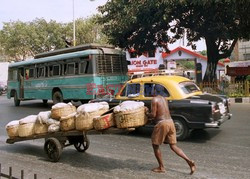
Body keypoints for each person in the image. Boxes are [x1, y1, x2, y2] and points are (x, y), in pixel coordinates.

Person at [145, 84, 196, 174]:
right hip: (170, 122)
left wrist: (146, 113)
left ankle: (161, 167)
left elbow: (153, 115)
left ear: (154, 91)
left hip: (162, 123)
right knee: (173, 146)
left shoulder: (154, 99)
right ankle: (189, 161)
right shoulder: (164, 99)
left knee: (155, 145)